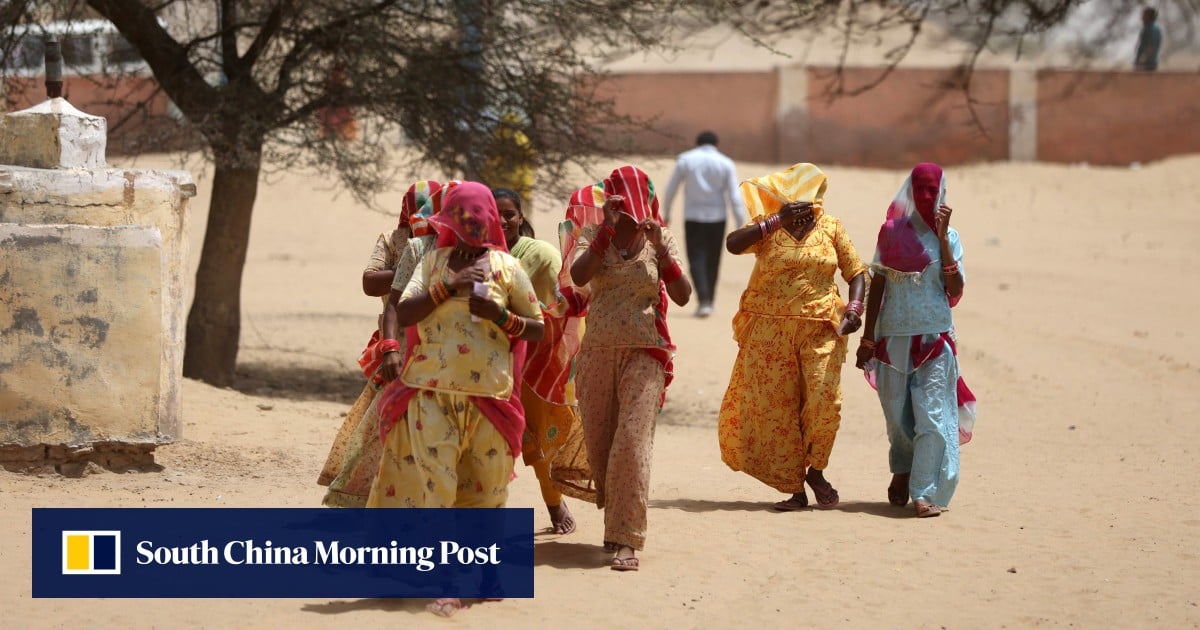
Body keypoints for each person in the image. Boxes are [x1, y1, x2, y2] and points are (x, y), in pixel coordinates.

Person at [717, 163, 868, 512]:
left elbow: (856, 271)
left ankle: (816, 469)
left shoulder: (831, 227)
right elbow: (733, 244)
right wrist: (775, 221)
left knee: (824, 401)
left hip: (820, 327)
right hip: (770, 333)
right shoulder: (769, 227)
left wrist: (855, 309)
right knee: (778, 410)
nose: (805, 203)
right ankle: (794, 487)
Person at [566, 165, 692, 571]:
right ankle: (614, 523)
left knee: (632, 445)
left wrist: (663, 250)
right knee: (601, 446)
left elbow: (683, 295)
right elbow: (579, 276)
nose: (629, 212)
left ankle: (627, 539)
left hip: (645, 351)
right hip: (597, 352)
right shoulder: (594, 235)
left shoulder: (659, 239)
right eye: (619, 202)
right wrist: (606, 230)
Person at [854, 162, 978, 519]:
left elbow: (955, 290)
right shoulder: (891, 233)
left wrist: (942, 239)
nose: (925, 196)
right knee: (897, 415)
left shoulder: (950, 239)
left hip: (934, 339)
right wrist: (867, 337)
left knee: (932, 417)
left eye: (932, 190)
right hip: (892, 338)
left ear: (941, 196)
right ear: (910, 192)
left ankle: (923, 491)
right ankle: (902, 466)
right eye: (919, 189)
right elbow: (878, 283)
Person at [317, 179, 441, 507]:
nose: (423, 216)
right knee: (382, 422)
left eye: (431, 209)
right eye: (417, 209)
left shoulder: (449, 244)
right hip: (396, 346)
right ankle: (361, 493)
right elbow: (370, 282)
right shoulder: (394, 240)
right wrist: (409, 267)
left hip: (439, 348)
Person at [494, 187, 594, 535]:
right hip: (487, 363)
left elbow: (566, 304)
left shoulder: (541, 254)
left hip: (538, 361)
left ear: (521, 217)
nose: (503, 220)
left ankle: (554, 504)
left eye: (510, 213)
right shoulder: (475, 255)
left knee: (540, 438)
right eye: (496, 213)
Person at [660, 131, 746, 318]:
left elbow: (671, 188)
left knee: (696, 258)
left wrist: (666, 213)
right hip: (718, 217)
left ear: (697, 143)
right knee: (713, 259)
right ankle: (710, 301)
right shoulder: (726, 163)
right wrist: (740, 222)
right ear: (716, 144)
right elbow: (735, 195)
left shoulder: (686, 160)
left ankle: (703, 300)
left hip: (693, 216)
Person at [1135, 7, 1163, 71]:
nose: (1142, 17)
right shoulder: (1146, 28)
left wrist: (1142, 60)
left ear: (1149, 16)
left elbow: (1152, 46)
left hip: (1148, 64)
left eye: (1144, 15)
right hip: (1143, 63)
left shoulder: (1153, 29)